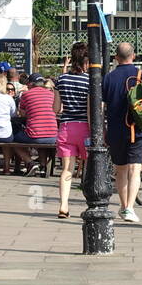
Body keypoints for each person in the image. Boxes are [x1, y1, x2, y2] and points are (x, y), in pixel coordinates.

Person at [102, 42, 142, 224]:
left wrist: (102, 129)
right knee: (135, 168)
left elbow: (101, 106)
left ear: (116, 58)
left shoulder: (108, 78)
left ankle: (123, 205)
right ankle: (130, 207)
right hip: (136, 128)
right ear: (134, 56)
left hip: (115, 129)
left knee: (120, 169)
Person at [53, 41, 92, 219]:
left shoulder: (61, 80)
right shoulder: (89, 80)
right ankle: (91, 204)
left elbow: (56, 109)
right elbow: (91, 110)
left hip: (67, 128)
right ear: (86, 61)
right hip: (84, 127)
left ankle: (63, 205)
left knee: (67, 170)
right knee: (90, 168)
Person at [13, 73, 59, 176]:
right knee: (42, 140)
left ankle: (30, 162)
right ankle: (43, 166)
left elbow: (23, 114)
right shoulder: (51, 94)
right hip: (53, 136)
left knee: (14, 140)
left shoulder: (26, 95)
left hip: (34, 134)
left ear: (30, 84)